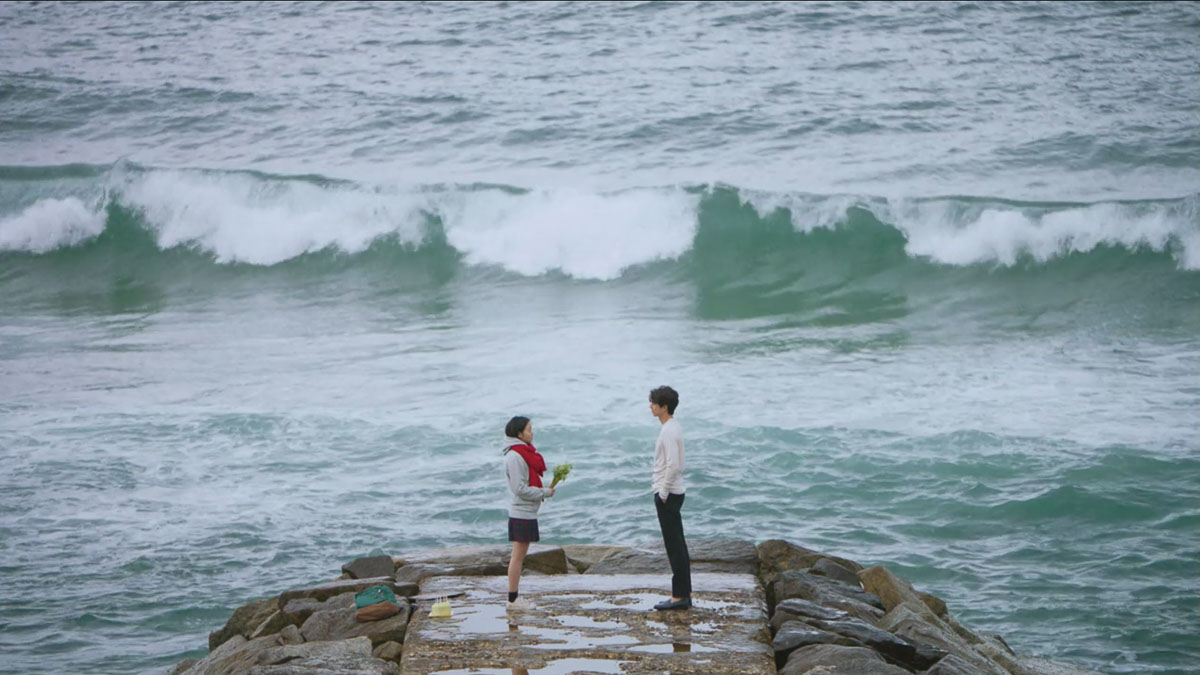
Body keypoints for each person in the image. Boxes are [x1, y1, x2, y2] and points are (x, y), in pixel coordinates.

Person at [502, 415, 554, 610]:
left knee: (519, 556)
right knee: (517, 557)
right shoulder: (515, 456)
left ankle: (513, 598)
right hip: (521, 512)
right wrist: (545, 492)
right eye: (529, 429)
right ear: (519, 434)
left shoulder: (522, 453)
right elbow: (519, 488)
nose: (532, 433)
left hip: (526, 511)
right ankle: (513, 599)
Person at [649, 385, 691, 611]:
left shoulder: (669, 431)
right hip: (673, 492)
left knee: (674, 546)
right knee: (678, 544)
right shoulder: (672, 427)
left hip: (670, 494)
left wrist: (663, 492)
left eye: (654, 403)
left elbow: (673, 465)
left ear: (664, 407)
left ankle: (679, 596)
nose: (651, 406)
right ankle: (683, 592)